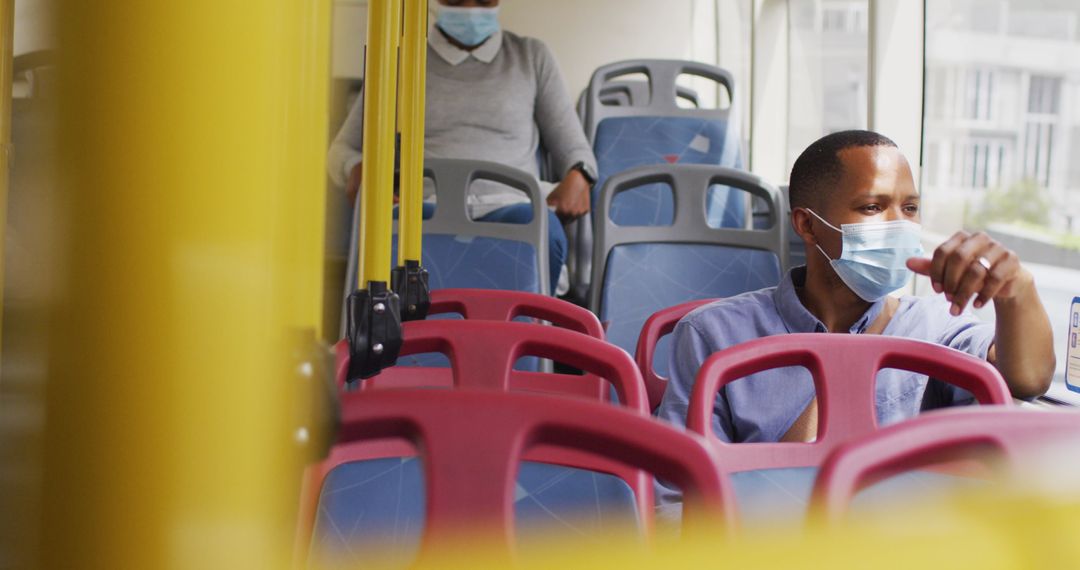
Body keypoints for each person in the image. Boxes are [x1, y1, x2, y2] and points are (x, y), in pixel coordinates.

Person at [655, 130, 1055, 507]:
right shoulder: (714, 334)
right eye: (872, 207)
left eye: (910, 208)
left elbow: (1027, 377)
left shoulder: (932, 326)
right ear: (807, 225)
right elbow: (678, 498)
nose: (899, 224)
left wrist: (1016, 290)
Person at [328, 0, 598, 292]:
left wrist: (579, 176)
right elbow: (343, 148)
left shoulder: (531, 57)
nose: (470, 7)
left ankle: (524, 330)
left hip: (512, 207)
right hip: (423, 208)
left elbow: (577, 152)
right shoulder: (401, 60)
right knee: (390, 240)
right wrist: (357, 169)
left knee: (546, 234)